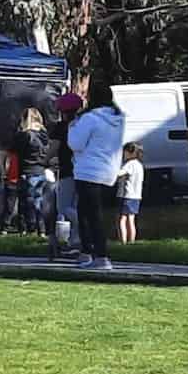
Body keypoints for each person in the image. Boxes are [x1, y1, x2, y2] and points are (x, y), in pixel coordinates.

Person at [67, 86, 125, 271]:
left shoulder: (90, 118)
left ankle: (97, 254)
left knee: (87, 215)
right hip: (109, 171)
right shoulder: (118, 119)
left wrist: (72, 127)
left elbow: (75, 144)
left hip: (88, 171)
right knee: (97, 214)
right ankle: (93, 253)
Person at [9, 107, 54, 236]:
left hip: (27, 170)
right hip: (41, 171)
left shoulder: (25, 135)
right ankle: (42, 230)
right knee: (38, 202)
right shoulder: (44, 136)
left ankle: (27, 229)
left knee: (25, 202)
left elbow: (13, 151)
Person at [51, 92, 85, 253]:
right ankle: (76, 241)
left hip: (67, 170)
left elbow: (53, 148)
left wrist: (46, 160)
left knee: (63, 207)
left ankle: (84, 223)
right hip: (84, 171)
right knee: (76, 204)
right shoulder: (84, 125)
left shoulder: (61, 127)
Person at [116, 142, 145, 244]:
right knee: (131, 220)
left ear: (129, 152)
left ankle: (123, 242)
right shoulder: (139, 165)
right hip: (136, 196)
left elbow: (119, 173)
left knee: (122, 219)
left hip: (126, 195)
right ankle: (131, 242)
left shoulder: (129, 164)